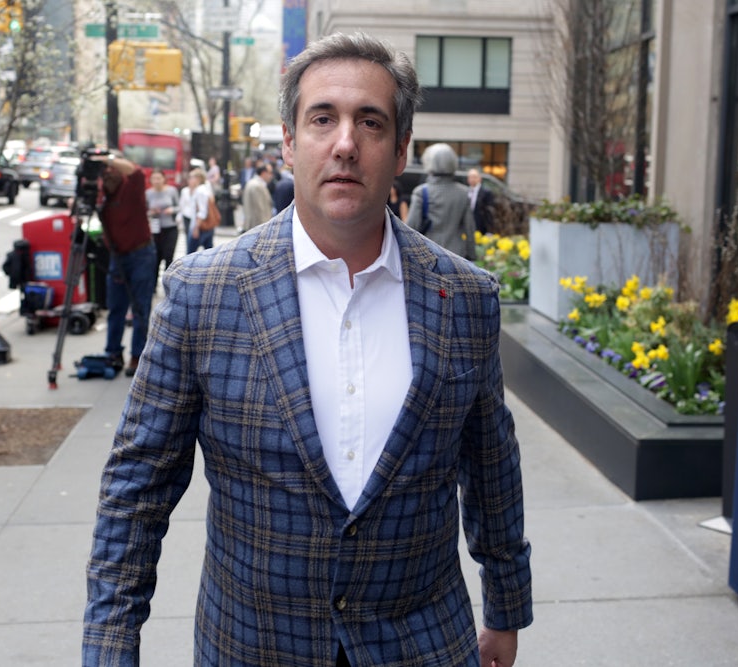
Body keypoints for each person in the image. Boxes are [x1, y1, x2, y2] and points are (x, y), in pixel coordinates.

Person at [84, 32, 532, 667]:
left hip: (422, 644)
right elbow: (137, 488)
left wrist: (506, 608)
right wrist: (110, 645)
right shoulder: (202, 293)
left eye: (370, 122)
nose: (345, 143)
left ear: (401, 149)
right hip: (252, 647)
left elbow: (491, 466)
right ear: (290, 142)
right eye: (323, 118)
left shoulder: (464, 297)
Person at [96, 153, 157, 378]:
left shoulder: (132, 186)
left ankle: (137, 355)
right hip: (117, 255)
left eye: (111, 169)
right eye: (105, 172)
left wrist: (107, 160)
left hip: (141, 253)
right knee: (116, 308)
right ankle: (113, 352)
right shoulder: (102, 193)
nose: (107, 174)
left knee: (140, 308)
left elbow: (137, 172)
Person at [406, 143, 477, 260]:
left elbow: (411, 228)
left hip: (429, 254)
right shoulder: (464, 193)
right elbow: (469, 229)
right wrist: (472, 255)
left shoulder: (421, 192)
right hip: (456, 255)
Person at [145, 168, 179, 291]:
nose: (156, 181)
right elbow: (144, 210)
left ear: (164, 179)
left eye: (159, 178)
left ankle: (168, 286)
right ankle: (152, 286)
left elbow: (179, 206)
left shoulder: (171, 191)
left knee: (168, 256)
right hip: (155, 229)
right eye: (154, 178)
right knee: (155, 258)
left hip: (170, 227)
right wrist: (151, 212)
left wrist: (172, 210)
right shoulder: (148, 193)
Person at [178, 167, 215, 253]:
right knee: (208, 252)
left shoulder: (200, 191)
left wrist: (196, 227)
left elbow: (202, 212)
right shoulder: (203, 189)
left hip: (199, 226)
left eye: (191, 178)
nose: (189, 180)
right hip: (205, 226)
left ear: (198, 179)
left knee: (190, 254)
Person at [240, 162, 273, 230]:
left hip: (253, 226)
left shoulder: (252, 183)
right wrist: (265, 228)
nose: (271, 175)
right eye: (270, 173)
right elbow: (260, 210)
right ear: (263, 173)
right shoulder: (257, 186)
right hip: (257, 226)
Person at [468, 168, 495, 234]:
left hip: (481, 227)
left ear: (480, 179)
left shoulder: (486, 193)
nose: (472, 179)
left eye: (474, 177)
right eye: (470, 177)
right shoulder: (465, 191)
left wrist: (489, 230)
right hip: (468, 226)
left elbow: (489, 213)